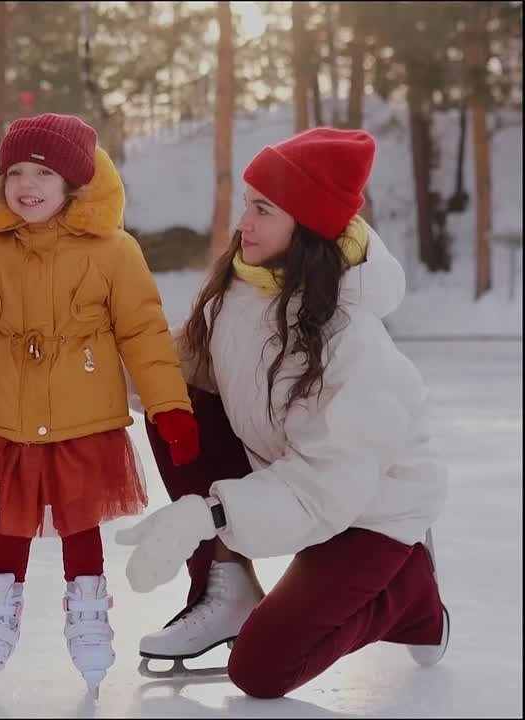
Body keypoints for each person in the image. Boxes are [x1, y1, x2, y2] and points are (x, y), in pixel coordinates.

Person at [0, 113, 200, 697]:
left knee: (80, 523)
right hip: (13, 421)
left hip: (84, 421)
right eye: (15, 172)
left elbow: (144, 334)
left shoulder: (114, 250)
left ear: (72, 183)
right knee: (12, 523)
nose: (26, 184)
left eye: (43, 173)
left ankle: (89, 609)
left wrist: (168, 406)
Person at [115, 127, 451, 698]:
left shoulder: (355, 343)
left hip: (368, 512)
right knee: (173, 401)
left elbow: (323, 489)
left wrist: (210, 515)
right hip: (290, 480)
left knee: (262, 671)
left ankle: (412, 598)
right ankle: (224, 588)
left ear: (309, 225)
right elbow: (166, 369)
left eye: (263, 209)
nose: (243, 223)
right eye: (247, 204)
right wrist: (64, 362)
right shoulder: (240, 289)